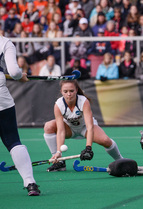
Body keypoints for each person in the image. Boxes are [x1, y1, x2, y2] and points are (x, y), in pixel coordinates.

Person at [44, 80, 123, 172]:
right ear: (61, 92)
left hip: (85, 128)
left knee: (106, 140)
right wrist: (58, 151)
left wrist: (88, 147)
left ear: (76, 90)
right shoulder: (58, 105)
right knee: (48, 126)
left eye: (71, 91)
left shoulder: (83, 101)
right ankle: (58, 162)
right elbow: (61, 130)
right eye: (65, 92)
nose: (69, 94)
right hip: (69, 129)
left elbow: (90, 127)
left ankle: (121, 161)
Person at [0, 35, 40, 195]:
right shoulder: (4, 42)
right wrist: (19, 77)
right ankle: (30, 183)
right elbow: (15, 71)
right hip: (1, 98)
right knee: (13, 141)